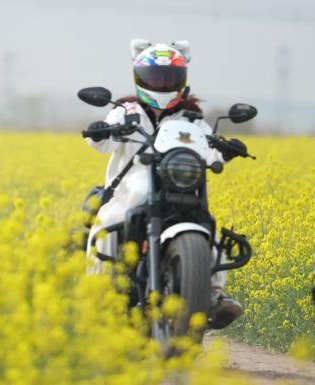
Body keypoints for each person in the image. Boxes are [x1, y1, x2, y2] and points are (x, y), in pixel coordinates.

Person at [84, 40, 248, 329]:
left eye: (169, 78)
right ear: (140, 79)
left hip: (176, 187)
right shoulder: (125, 112)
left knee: (206, 223)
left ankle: (213, 294)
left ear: (182, 80)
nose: (161, 84)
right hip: (129, 191)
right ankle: (97, 293)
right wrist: (100, 131)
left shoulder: (191, 118)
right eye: (155, 78)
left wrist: (225, 150)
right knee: (106, 220)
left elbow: (208, 147)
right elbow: (102, 143)